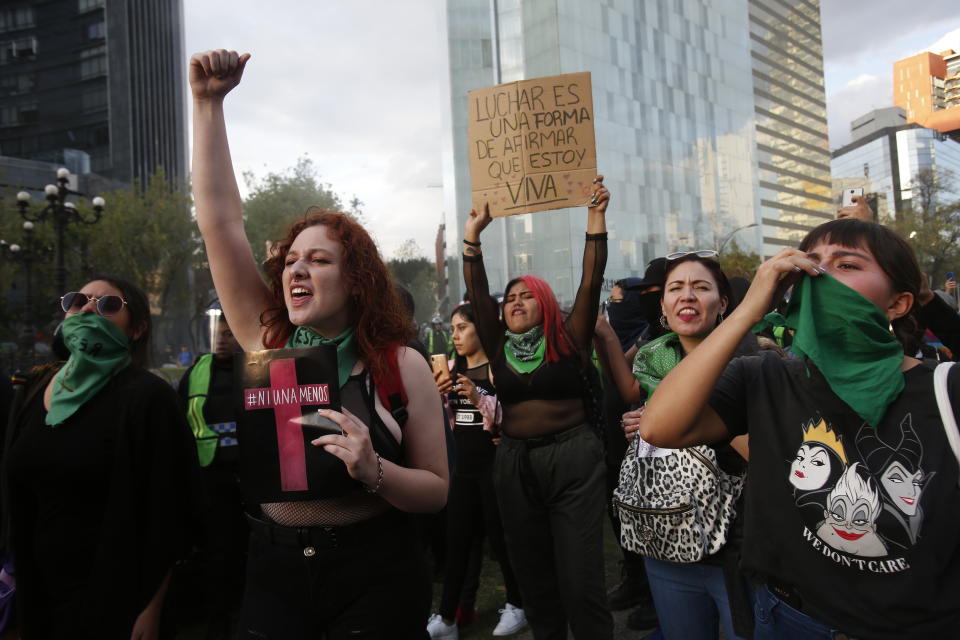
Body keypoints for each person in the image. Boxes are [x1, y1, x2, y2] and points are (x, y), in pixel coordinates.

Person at [190, 49, 448, 638]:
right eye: (289, 261)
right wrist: (208, 105)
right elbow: (220, 222)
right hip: (274, 567)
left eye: (318, 259)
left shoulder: (399, 365)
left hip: (374, 570)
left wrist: (373, 469)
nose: (295, 270)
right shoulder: (269, 342)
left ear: (356, 280)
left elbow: (435, 491)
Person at [636, 218, 960, 639]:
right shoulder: (767, 376)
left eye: (846, 264)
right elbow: (659, 427)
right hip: (791, 620)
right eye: (812, 262)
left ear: (897, 304)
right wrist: (750, 307)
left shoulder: (946, 390)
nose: (821, 274)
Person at [2, 276, 199, 639]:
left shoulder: (148, 398)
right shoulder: (34, 389)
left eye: (107, 305)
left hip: (113, 601)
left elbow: (171, 511)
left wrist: (151, 608)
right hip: (38, 595)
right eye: (79, 300)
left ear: (137, 328)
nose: (89, 308)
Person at [461, 177, 612, 640]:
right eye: (509, 299)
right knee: (533, 573)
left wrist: (595, 216)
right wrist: (473, 237)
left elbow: (591, 278)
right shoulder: (496, 343)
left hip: (573, 458)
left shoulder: (570, 338)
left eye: (526, 295)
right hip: (514, 462)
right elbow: (477, 284)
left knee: (580, 576)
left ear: (544, 303)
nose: (514, 302)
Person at [595, 251, 752, 640]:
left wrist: (682, 419)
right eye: (676, 288)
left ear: (724, 303)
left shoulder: (751, 358)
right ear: (663, 304)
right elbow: (632, 393)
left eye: (701, 287)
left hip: (735, 546)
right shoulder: (655, 353)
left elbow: (761, 454)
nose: (687, 296)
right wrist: (651, 421)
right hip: (664, 534)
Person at [426, 303, 526, 639]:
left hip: (493, 467)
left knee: (500, 541)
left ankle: (517, 605)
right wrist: (437, 396)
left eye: (463, 327)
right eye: (453, 328)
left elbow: (512, 416)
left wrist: (477, 394)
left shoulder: (498, 368)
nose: (455, 335)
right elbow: (448, 421)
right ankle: (448, 618)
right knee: (456, 543)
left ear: (480, 329)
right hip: (462, 469)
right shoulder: (450, 369)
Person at [176, 310, 246, 640]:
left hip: (249, 477)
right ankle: (218, 621)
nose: (222, 339)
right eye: (218, 334)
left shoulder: (255, 368)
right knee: (218, 553)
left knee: (247, 551)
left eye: (229, 334)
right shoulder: (196, 373)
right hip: (211, 478)